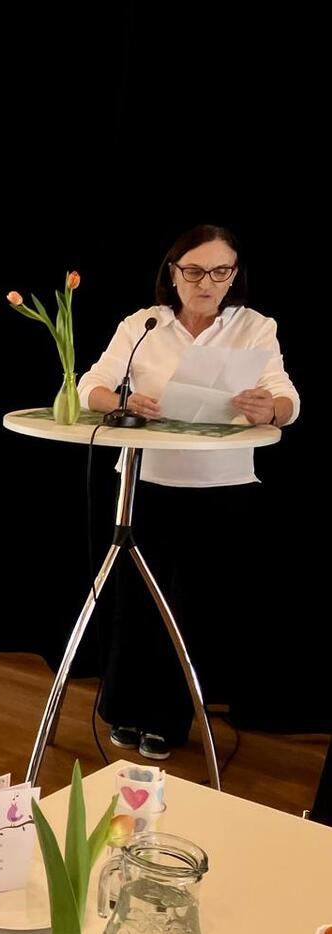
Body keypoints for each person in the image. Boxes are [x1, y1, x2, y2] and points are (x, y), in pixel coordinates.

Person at [77, 224, 299, 760]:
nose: (207, 283)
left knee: (194, 609)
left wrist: (270, 409)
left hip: (220, 488)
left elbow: (287, 397)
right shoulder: (144, 324)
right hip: (145, 483)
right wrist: (122, 400)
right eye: (195, 270)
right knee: (135, 603)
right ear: (173, 272)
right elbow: (90, 386)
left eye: (220, 271)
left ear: (234, 276)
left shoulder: (254, 327)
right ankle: (124, 710)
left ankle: (168, 721)